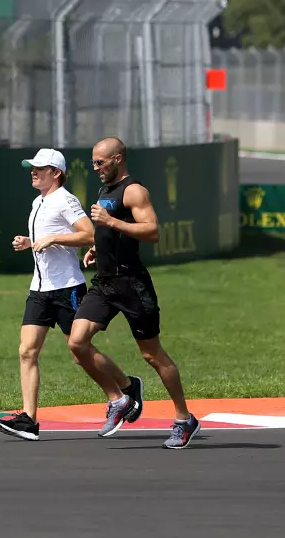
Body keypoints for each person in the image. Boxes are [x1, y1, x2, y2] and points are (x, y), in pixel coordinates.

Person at [70, 136, 200, 449]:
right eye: (93, 163)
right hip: (104, 282)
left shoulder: (134, 190)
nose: (95, 168)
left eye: (100, 162)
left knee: (151, 354)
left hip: (132, 284)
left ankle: (184, 419)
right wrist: (96, 248)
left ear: (118, 159)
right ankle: (122, 396)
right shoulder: (106, 188)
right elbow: (109, 232)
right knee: (77, 343)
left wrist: (111, 221)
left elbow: (153, 231)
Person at [0, 148, 96, 441]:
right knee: (27, 351)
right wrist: (32, 242)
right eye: (32, 167)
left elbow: (89, 234)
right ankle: (28, 419)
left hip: (67, 288)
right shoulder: (39, 201)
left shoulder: (66, 200)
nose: (33, 172)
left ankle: (124, 390)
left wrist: (51, 238)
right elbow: (48, 240)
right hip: (40, 289)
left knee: (80, 353)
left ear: (56, 173)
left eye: (40, 168)